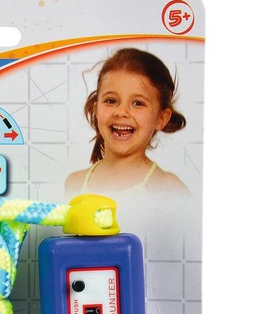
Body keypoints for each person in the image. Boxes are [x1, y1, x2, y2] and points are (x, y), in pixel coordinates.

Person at [65, 48, 189, 204]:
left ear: (161, 118)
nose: (121, 112)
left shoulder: (169, 189)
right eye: (111, 101)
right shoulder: (74, 184)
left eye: (138, 103)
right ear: (96, 109)